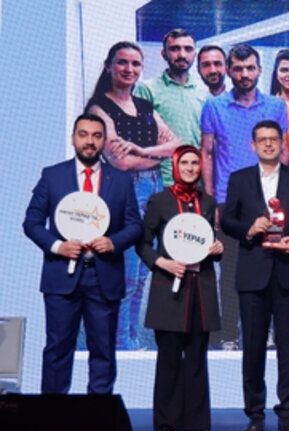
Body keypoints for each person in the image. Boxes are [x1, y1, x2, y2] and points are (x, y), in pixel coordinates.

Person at [23, 114, 143, 394]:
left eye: (97, 136)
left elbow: (135, 226)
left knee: (103, 351)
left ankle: (98, 415)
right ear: (73, 138)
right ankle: (51, 416)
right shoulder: (52, 176)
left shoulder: (120, 180)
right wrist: (58, 246)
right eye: (84, 134)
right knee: (57, 350)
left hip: (104, 278)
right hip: (61, 277)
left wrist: (113, 242)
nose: (90, 141)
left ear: (104, 141)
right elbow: (32, 223)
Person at [220, 121, 289, 431]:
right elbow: (228, 221)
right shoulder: (239, 179)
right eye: (262, 140)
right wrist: (249, 229)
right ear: (253, 145)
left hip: (288, 272)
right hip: (253, 273)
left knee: (288, 349)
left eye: (273, 139)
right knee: (253, 348)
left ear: (282, 143)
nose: (268, 144)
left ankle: (287, 413)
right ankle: (255, 414)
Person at [86, 41, 181, 351]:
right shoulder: (99, 109)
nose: (129, 69)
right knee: (125, 276)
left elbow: (177, 146)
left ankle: (130, 341)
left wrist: (141, 150)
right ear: (109, 66)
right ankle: (119, 347)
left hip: (153, 189)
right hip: (124, 192)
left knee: (141, 274)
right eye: (122, 63)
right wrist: (156, 155)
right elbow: (120, 162)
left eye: (135, 64)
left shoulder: (144, 106)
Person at [201, 43, 289, 350]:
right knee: (230, 272)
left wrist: (284, 196)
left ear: (260, 70)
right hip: (229, 201)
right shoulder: (214, 107)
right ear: (228, 71)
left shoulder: (276, 107)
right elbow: (207, 154)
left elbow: (283, 151)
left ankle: (264, 330)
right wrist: (211, 201)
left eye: (250, 68)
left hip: (269, 199)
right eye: (238, 68)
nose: (244, 74)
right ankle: (229, 333)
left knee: (269, 267)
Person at [136, 145, 223, 431]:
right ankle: (168, 421)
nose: (189, 168)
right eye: (184, 162)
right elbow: (142, 243)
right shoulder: (160, 201)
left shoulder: (208, 202)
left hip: (201, 289)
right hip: (169, 289)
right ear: (175, 166)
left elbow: (210, 241)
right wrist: (162, 262)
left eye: (194, 163)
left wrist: (218, 249)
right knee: (169, 357)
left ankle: (197, 421)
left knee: (197, 357)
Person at [136, 28, 208, 187]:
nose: (182, 54)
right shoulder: (147, 89)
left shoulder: (204, 92)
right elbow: (139, 137)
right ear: (164, 54)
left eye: (188, 49)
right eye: (175, 49)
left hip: (196, 181)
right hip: (160, 181)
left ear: (194, 54)